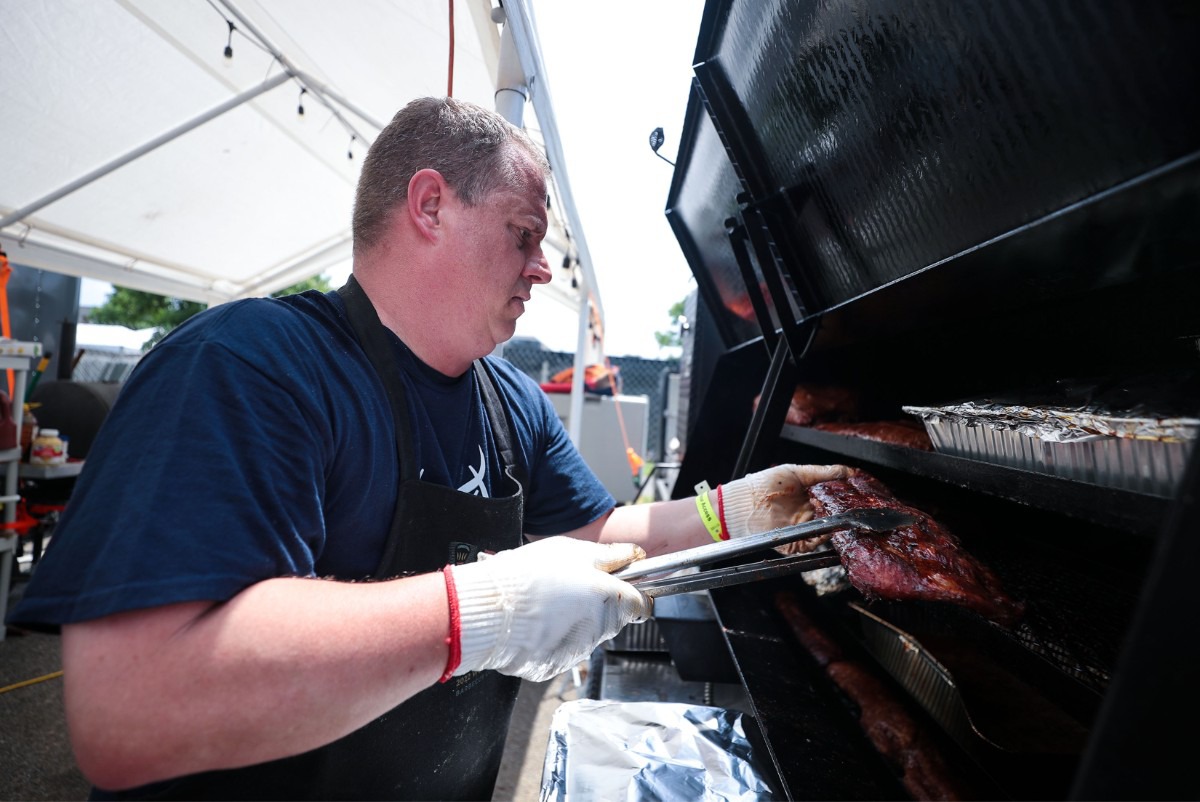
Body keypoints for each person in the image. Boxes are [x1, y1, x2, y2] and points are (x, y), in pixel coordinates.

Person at [7, 96, 849, 800]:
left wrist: (739, 510)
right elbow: (129, 710)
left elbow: (600, 541)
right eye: (524, 235)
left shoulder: (509, 399)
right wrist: (479, 615)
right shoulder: (247, 367)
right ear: (431, 205)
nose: (540, 270)